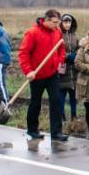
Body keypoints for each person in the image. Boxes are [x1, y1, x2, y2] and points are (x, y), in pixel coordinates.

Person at [19, 9, 68, 144]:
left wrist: (59, 61)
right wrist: (28, 71)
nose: (57, 25)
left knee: (56, 101)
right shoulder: (33, 33)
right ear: (46, 20)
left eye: (59, 22)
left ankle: (56, 133)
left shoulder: (57, 31)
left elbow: (61, 48)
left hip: (52, 74)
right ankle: (32, 129)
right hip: (37, 75)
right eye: (55, 22)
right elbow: (23, 54)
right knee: (36, 102)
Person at [58, 14, 80, 121]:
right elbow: (56, 51)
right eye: (65, 22)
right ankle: (61, 115)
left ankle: (74, 115)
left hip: (74, 70)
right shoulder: (58, 35)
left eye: (69, 22)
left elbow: (79, 48)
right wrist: (67, 56)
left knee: (73, 96)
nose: (67, 24)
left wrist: (76, 55)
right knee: (61, 95)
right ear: (61, 23)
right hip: (63, 69)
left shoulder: (75, 36)